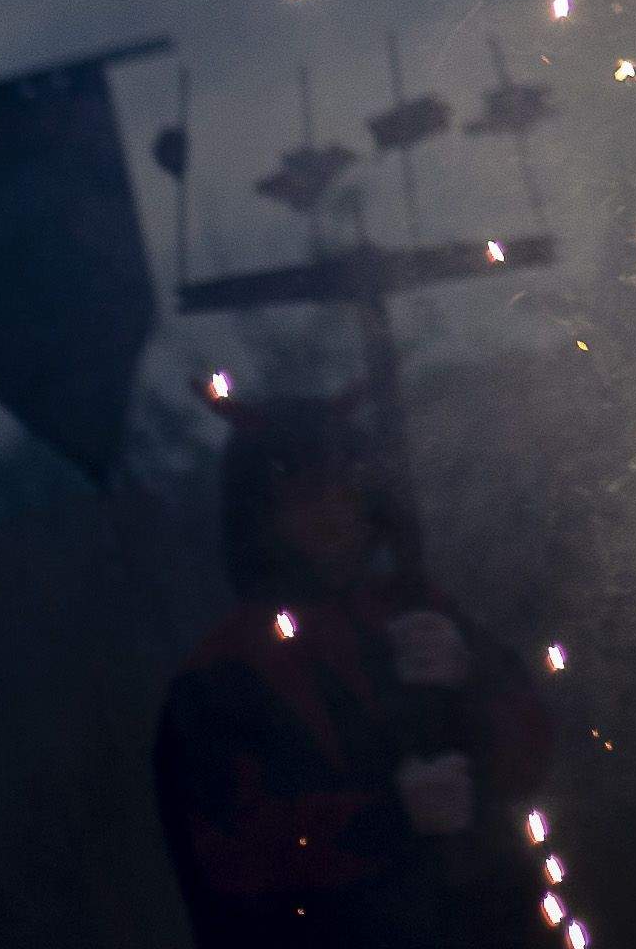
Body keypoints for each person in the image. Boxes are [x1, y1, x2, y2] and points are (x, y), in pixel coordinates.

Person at [148, 396, 555, 948]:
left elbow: (532, 754)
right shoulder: (221, 675)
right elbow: (233, 862)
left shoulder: (417, 611)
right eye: (305, 495)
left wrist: (471, 675)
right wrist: (388, 817)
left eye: (345, 488)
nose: (335, 512)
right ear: (263, 515)